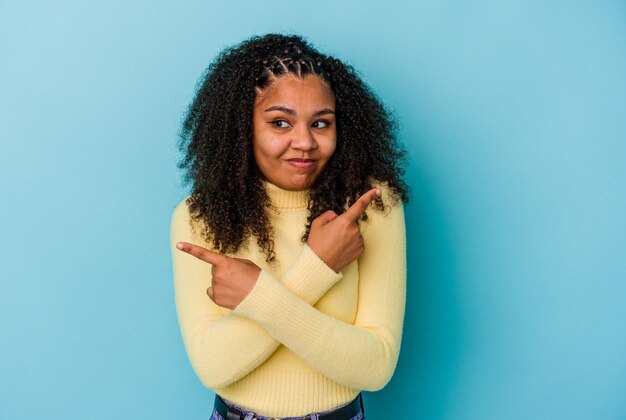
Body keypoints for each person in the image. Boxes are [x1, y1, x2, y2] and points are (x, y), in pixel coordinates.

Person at [170, 33, 408, 420]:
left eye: (321, 123)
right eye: (280, 122)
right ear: (241, 127)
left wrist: (257, 296)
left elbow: (376, 367)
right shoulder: (198, 216)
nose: (304, 142)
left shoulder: (372, 206)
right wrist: (317, 267)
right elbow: (212, 366)